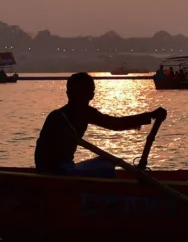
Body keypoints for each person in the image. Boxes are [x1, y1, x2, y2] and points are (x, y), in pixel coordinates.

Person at [35, 72, 166, 177]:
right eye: (88, 92)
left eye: (91, 92)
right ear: (70, 94)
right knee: (106, 169)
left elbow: (115, 124)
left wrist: (150, 115)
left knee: (107, 163)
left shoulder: (87, 113)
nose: (91, 95)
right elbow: (43, 156)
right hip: (54, 172)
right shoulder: (57, 117)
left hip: (67, 167)